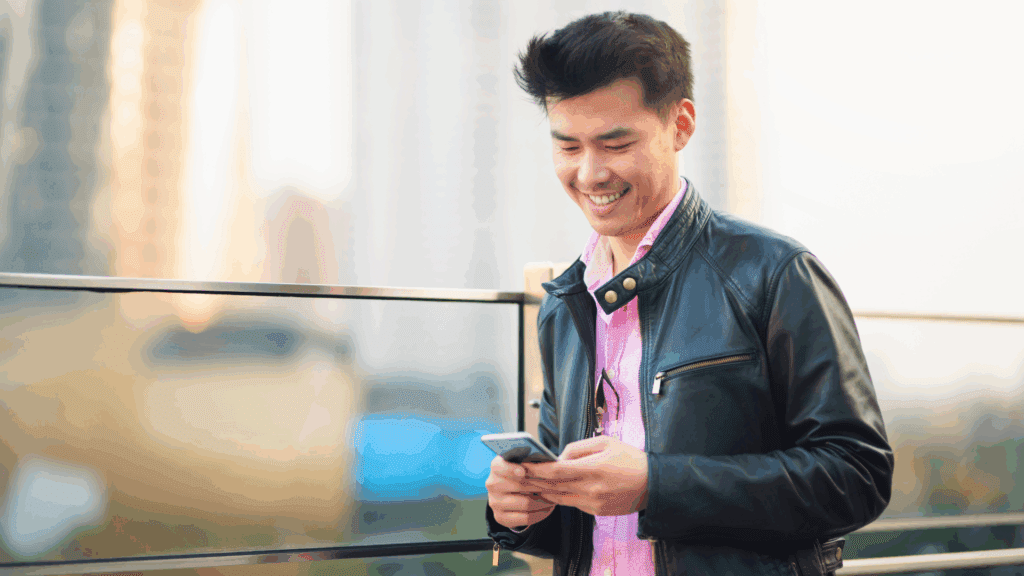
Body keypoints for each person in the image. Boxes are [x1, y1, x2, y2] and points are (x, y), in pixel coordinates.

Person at [484, 11, 894, 576]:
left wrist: (658, 483)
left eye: (615, 143)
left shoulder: (775, 273)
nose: (590, 173)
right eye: (568, 147)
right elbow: (590, 526)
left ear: (680, 125)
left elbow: (857, 477)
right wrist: (521, 509)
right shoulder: (565, 302)